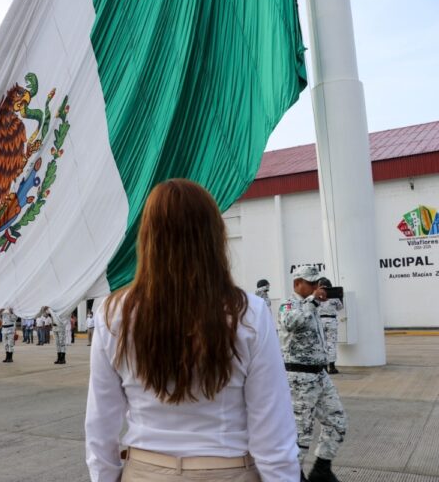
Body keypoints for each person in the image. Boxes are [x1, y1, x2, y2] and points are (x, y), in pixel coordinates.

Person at [85, 179, 299, 481]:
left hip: (146, 470)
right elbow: (272, 429)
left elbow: (100, 424)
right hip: (228, 469)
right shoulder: (248, 313)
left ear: (147, 238)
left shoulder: (113, 313)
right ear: (214, 237)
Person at [278, 266, 347, 482]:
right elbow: (290, 323)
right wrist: (313, 302)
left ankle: (321, 470)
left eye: (317, 283)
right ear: (297, 284)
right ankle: (293, 476)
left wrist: (315, 303)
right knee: (301, 435)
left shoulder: (314, 306)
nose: (315, 287)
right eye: (310, 283)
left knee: (337, 422)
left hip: (320, 375)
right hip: (299, 379)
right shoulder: (289, 305)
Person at [317, 278, 343, 375]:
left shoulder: (316, 295)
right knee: (331, 344)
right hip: (331, 321)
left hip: (319, 321)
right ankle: (332, 367)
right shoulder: (334, 296)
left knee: (321, 344)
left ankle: (324, 367)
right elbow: (340, 307)